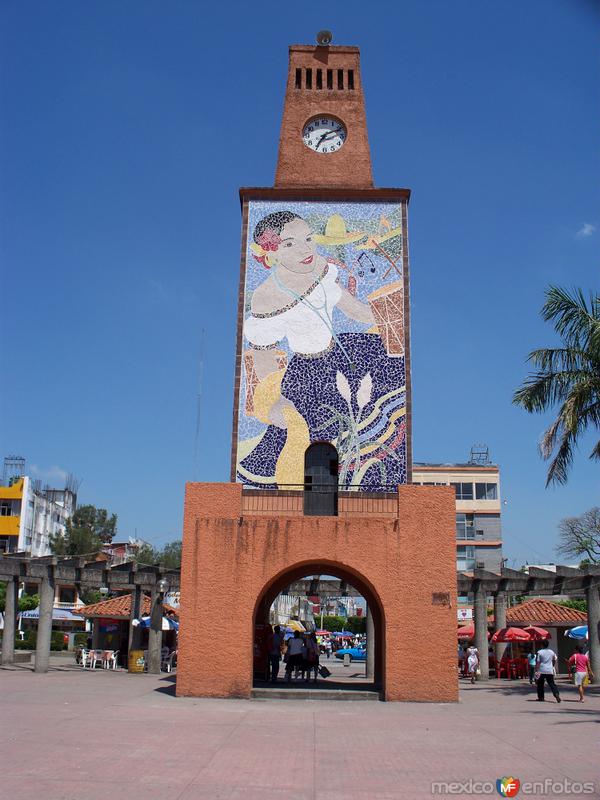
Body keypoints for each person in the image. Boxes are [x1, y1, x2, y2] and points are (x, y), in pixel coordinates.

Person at [239, 210, 407, 489]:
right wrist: (274, 402)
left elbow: (357, 311)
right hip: (307, 375)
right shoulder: (265, 298)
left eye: (308, 239)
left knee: (391, 384)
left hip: (346, 353)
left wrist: (391, 313)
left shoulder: (321, 269)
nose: (305, 249)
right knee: (319, 438)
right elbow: (264, 358)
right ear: (271, 253)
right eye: (290, 244)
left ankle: (375, 489)